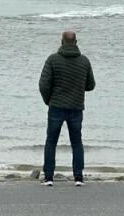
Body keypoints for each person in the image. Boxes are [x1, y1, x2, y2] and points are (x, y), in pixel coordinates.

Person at [39, 30, 96, 186]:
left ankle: (49, 177)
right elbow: (91, 85)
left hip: (56, 106)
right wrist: (77, 87)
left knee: (51, 141)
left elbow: (43, 84)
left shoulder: (53, 60)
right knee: (76, 142)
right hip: (76, 107)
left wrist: (48, 100)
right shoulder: (84, 61)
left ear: (61, 42)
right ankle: (78, 178)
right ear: (76, 42)